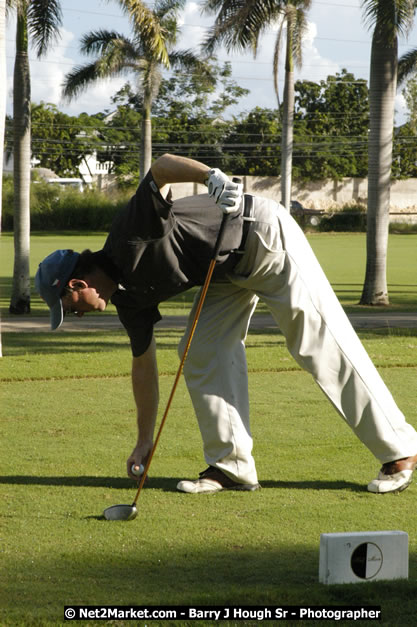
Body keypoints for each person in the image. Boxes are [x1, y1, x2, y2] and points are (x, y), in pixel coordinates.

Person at [35, 153, 417, 495]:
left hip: (262, 236)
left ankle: (400, 450)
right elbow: (144, 366)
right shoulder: (126, 301)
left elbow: (161, 168)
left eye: (69, 307)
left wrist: (212, 177)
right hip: (224, 273)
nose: (75, 315)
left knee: (317, 341)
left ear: (76, 284)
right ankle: (232, 466)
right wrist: (143, 440)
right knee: (199, 350)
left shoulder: (127, 236)